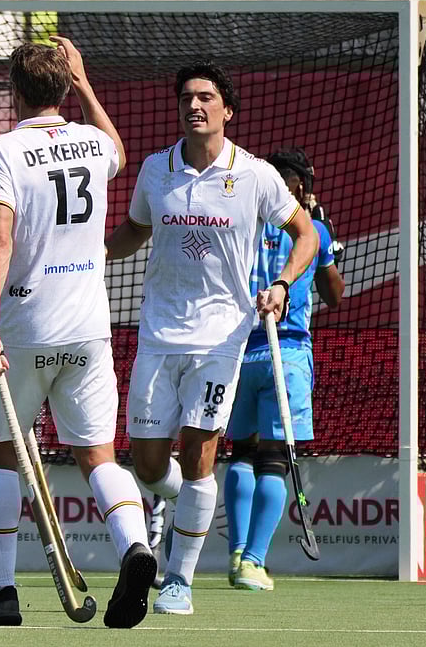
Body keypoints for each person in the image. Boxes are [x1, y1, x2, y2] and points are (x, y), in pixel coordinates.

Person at [105, 61, 319, 615]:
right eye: (186, 98)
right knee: (149, 466)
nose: (193, 106)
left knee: (200, 454)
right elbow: (134, 229)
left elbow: (306, 234)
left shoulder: (255, 174)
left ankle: (179, 579)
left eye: (205, 97)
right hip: (157, 334)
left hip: (223, 336)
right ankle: (185, 504)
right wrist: (90, 254)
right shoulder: (156, 169)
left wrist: (282, 283)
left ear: (228, 109)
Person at [0, 38, 156, 628]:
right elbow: (119, 151)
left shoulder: (1, 150)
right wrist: (87, 84)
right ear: (65, 86)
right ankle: (134, 546)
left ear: (15, 91)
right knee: (99, 456)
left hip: (25, 328)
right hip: (88, 328)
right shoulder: (94, 142)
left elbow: (0, 238)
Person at [223, 148, 344, 591]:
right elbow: (335, 296)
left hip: (238, 350)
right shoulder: (314, 231)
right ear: (301, 188)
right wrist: (329, 240)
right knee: (272, 460)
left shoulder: (245, 224)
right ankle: (253, 561)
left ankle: (236, 550)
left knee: (240, 452)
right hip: (286, 353)